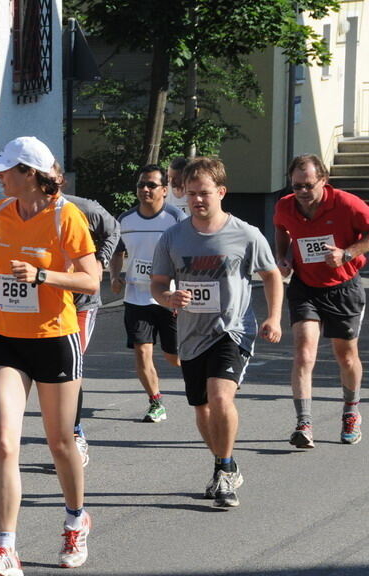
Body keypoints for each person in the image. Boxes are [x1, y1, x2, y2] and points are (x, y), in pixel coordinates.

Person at [0, 137, 100, 576]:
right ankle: (5, 548)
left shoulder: (68, 217)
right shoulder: (1, 213)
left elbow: (92, 280)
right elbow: (0, 260)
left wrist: (44, 275)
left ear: (30, 174)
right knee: (5, 441)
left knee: (60, 443)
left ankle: (75, 519)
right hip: (8, 338)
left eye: (6, 169)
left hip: (54, 338)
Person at [150, 157, 283, 509]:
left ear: (221, 192)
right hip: (191, 334)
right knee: (202, 409)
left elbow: (270, 274)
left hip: (233, 329)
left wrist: (273, 317)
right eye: (191, 194)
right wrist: (168, 298)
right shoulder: (173, 236)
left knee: (221, 397)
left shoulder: (245, 233)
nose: (197, 200)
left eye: (205, 193)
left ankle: (224, 471)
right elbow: (158, 283)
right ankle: (225, 461)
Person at [273, 154, 369, 448]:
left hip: (343, 287)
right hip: (305, 286)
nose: (301, 192)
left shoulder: (347, 204)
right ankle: (304, 423)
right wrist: (283, 257)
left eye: (308, 186)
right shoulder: (285, 205)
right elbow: (281, 229)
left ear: (323, 180)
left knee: (346, 356)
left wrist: (347, 253)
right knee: (303, 352)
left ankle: (351, 410)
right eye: (296, 185)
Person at [51, 162, 120, 465]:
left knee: (71, 370)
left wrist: (101, 262)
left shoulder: (84, 208)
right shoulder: (25, 212)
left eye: (51, 180)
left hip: (81, 304)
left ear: (61, 181)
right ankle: (63, 436)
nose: (45, 187)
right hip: (48, 306)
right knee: (53, 376)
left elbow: (113, 229)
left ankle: (76, 435)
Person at [109, 165, 186, 422]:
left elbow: (190, 253)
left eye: (151, 185)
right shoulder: (126, 219)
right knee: (142, 350)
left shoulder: (176, 219)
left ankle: (207, 378)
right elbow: (117, 251)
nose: (145, 189)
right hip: (136, 297)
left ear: (164, 190)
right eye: (141, 184)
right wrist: (114, 275)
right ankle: (155, 402)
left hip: (170, 297)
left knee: (174, 357)